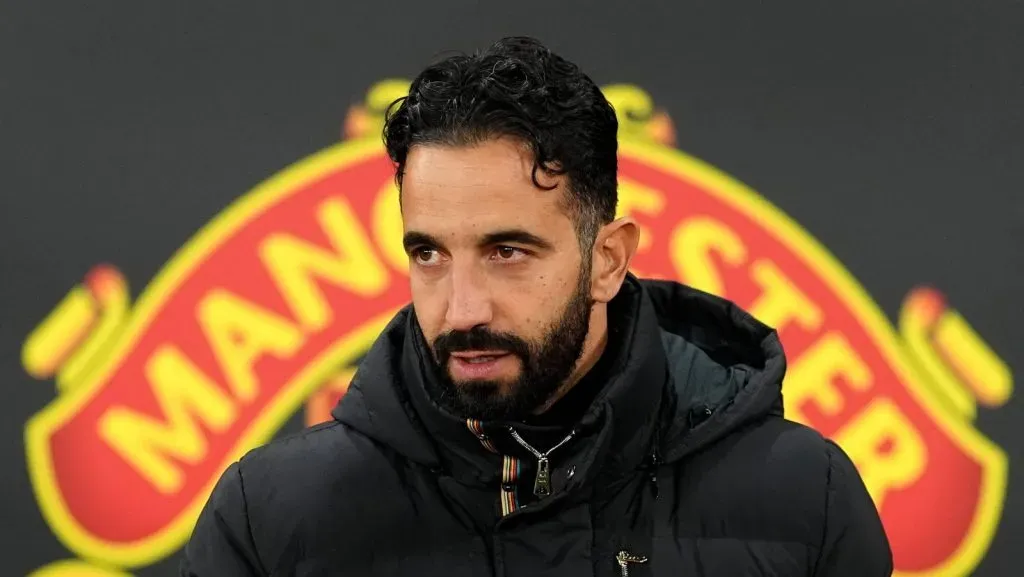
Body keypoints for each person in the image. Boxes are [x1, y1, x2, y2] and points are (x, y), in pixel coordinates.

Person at [180, 36, 892, 576]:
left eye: (507, 252)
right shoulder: (272, 515)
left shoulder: (806, 498)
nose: (461, 308)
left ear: (607, 260)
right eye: (428, 253)